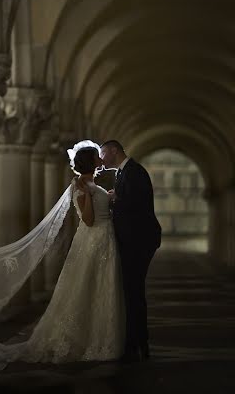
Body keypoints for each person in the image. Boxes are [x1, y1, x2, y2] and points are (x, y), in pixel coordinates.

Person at [0, 140, 125, 364]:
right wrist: (90, 197)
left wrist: (110, 197)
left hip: (103, 239)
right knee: (88, 286)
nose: (101, 159)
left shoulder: (91, 184)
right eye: (97, 156)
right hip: (95, 239)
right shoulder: (83, 187)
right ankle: (86, 340)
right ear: (91, 162)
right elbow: (88, 220)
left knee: (97, 286)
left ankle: (95, 336)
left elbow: (100, 206)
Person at [99, 140, 161, 362]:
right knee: (131, 292)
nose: (101, 158)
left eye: (103, 153)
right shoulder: (126, 172)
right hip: (134, 239)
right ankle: (135, 342)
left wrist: (114, 199)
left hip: (138, 241)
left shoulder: (134, 171)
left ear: (114, 151)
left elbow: (135, 204)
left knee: (133, 292)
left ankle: (137, 343)